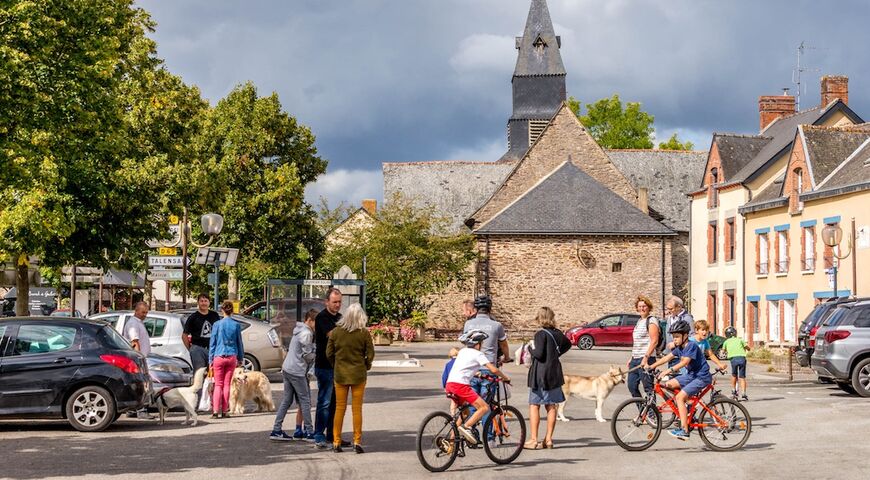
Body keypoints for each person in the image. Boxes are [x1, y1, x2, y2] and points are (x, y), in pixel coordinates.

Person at [647, 319, 712, 440]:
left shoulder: (691, 345)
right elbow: (667, 358)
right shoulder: (679, 347)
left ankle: (684, 430)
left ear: (685, 335)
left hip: (701, 377)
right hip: (692, 375)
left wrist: (668, 370)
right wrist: (651, 366)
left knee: (679, 397)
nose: (674, 339)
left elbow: (685, 362)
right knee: (668, 385)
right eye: (673, 337)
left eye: (677, 336)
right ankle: (687, 403)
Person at [445, 329, 511, 446]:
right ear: (478, 344)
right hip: (461, 386)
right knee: (484, 407)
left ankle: (450, 442)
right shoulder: (478, 354)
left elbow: (465, 368)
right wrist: (505, 377)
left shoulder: (463, 352)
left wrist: (479, 374)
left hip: (450, 384)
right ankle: (467, 427)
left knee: (464, 413)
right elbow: (493, 369)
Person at [326, 303, 375, 454]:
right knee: (357, 409)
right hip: (358, 375)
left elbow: (329, 353)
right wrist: (365, 365)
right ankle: (357, 441)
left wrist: (336, 365)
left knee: (339, 409)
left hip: (340, 375)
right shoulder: (363, 333)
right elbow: (370, 353)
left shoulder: (336, 332)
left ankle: (336, 441)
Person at [525, 307, 572, 450]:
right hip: (554, 372)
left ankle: (534, 439)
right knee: (551, 405)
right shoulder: (558, 333)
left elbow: (538, 354)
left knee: (534, 405)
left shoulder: (540, 334)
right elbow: (568, 344)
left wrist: (529, 348)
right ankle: (549, 439)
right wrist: (555, 354)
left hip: (540, 374)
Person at [271, 309, 317, 441]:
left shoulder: (298, 330)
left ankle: (276, 429)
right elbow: (308, 356)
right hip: (297, 371)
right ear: (309, 320)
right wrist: (316, 351)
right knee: (305, 401)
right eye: (315, 322)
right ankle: (309, 431)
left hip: (287, 368)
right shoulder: (306, 333)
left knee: (287, 400)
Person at [462, 296, 511, 410]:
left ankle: (470, 426)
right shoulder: (496, 325)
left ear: (476, 309)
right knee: (486, 405)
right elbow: (503, 344)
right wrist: (507, 357)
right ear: (490, 309)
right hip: (488, 367)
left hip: (472, 367)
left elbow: (466, 343)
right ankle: (487, 428)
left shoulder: (468, 324)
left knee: (473, 403)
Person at [313, 288, 345, 449]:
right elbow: (333, 335)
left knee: (336, 403)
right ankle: (318, 434)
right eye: (335, 302)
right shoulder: (321, 318)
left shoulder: (340, 318)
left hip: (338, 366)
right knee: (324, 401)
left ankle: (333, 435)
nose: (338, 305)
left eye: (340, 302)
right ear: (327, 302)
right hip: (324, 366)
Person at [209, 300, 244, 419]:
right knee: (227, 385)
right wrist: (240, 358)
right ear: (232, 311)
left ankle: (215, 411)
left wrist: (210, 360)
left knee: (218, 385)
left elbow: (212, 343)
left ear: (222, 310)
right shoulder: (236, 325)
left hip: (219, 356)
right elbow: (239, 343)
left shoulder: (217, 325)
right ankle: (224, 410)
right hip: (231, 356)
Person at [627, 296, 661, 399]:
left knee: (648, 388)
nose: (642, 308)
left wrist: (645, 359)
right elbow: (637, 342)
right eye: (640, 306)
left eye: (644, 306)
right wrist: (631, 357)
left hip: (647, 359)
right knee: (632, 386)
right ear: (637, 308)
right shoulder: (639, 321)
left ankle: (652, 414)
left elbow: (654, 341)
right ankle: (643, 412)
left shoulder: (652, 320)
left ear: (649, 307)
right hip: (635, 359)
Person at [124, 301, 153, 419]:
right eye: (142, 312)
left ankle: (132, 410)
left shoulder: (138, 322)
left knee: (137, 385)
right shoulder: (133, 324)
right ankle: (142, 410)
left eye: (146, 312)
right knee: (142, 385)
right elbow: (134, 342)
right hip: (138, 359)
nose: (145, 314)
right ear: (136, 311)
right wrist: (139, 358)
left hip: (139, 358)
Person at [183, 294, 220, 372]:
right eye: (201, 301)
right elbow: (184, 335)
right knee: (199, 373)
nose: (204, 303)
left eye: (206, 301)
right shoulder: (193, 317)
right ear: (198, 303)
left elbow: (219, 332)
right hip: (197, 349)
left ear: (209, 303)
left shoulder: (215, 315)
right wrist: (191, 349)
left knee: (214, 373)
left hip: (213, 349)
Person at [663, 296, 694, 369]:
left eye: (671, 309)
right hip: (671, 355)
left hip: (682, 356)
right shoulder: (670, 317)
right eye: (667, 308)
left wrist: (675, 343)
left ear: (679, 307)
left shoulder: (687, 318)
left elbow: (692, 337)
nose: (668, 311)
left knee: (679, 379)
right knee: (671, 377)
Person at [723, 326, 750, 401]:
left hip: (733, 359)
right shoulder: (740, 340)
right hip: (742, 358)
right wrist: (747, 349)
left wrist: (727, 351)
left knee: (734, 375)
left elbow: (723, 351)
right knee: (742, 377)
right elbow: (748, 347)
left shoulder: (726, 342)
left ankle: (733, 390)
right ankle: (744, 393)